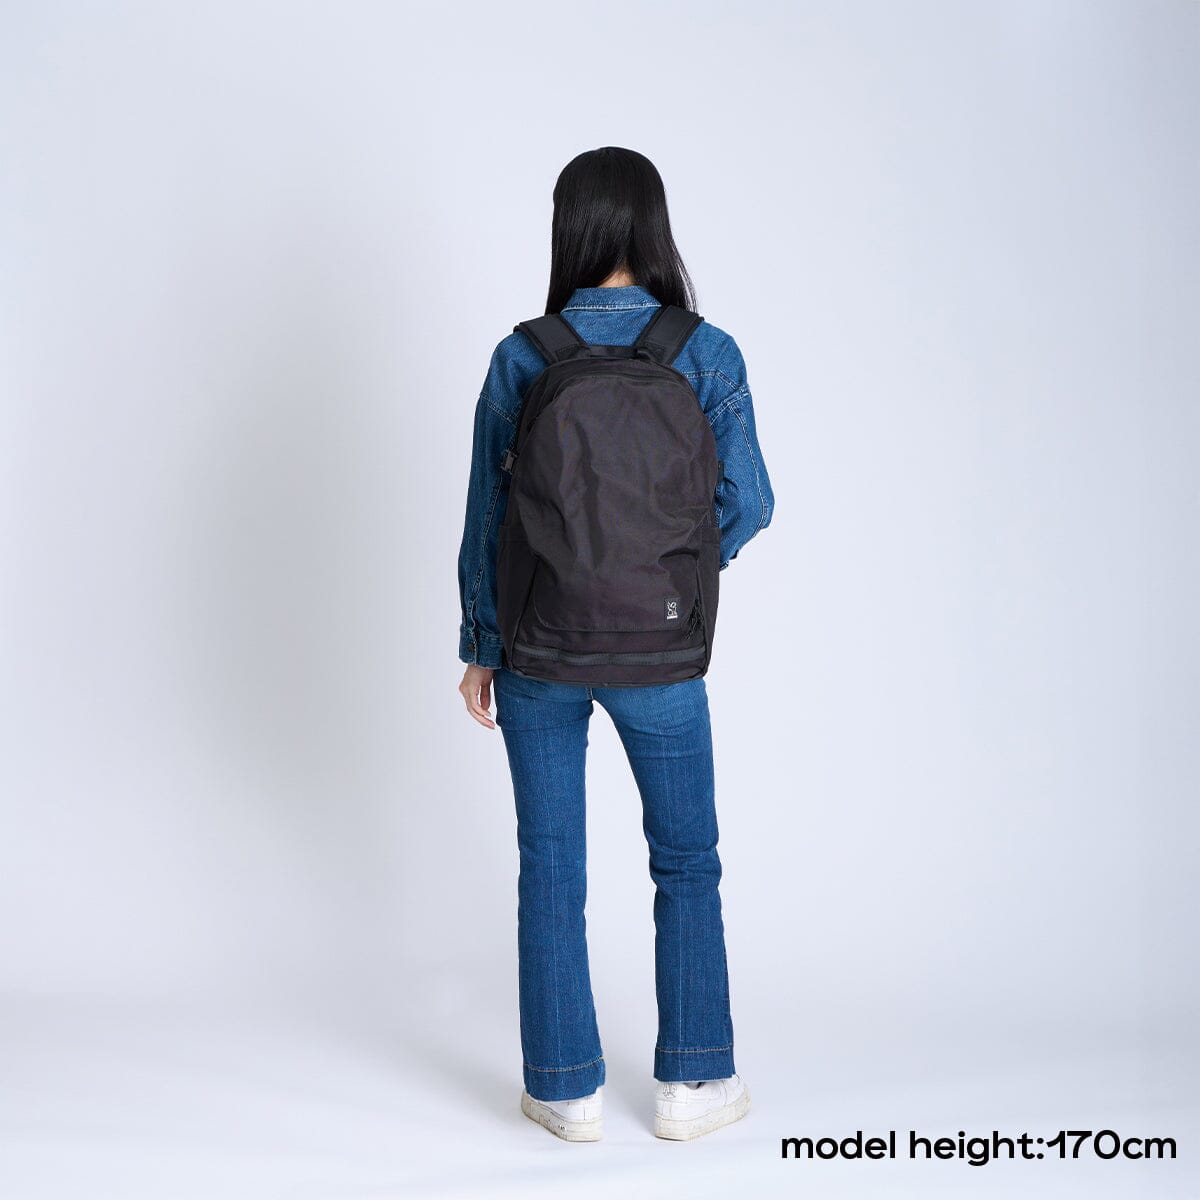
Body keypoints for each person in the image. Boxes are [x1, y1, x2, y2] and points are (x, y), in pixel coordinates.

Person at [455, 146, 774, 1142]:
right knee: (686, 860)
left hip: (539, 646)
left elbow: (487, 518)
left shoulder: (526, 355)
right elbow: (751, 501)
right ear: (653, 224)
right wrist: (675, 570)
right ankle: (695, 1085)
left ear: (571, 228)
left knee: (550, 865)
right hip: (662, 651)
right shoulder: (704, 351)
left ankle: (564, 1090)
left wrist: (481, 642)